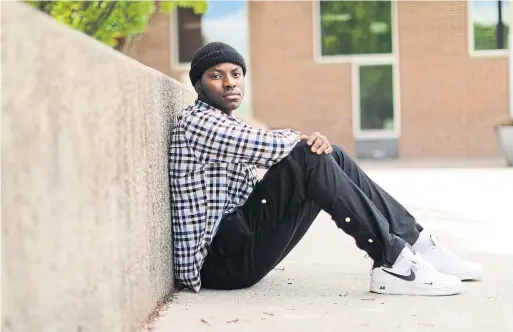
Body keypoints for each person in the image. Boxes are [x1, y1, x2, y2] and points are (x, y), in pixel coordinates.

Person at [169, 42, 483, 296]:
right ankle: (393, 261)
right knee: (310, 153)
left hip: (236, 246)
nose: (229, 83)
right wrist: (305, 140)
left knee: (331, 154)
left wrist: (311, 145)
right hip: (219, 264)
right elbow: (270, 147)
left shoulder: (225, 121)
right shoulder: (199, 122)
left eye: (236, 74)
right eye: (216, 76)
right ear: (198, 84)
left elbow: (271, 150)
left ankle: (416, 244)